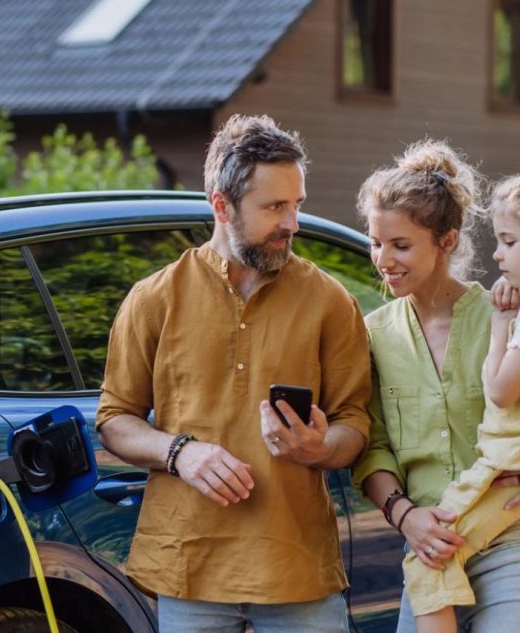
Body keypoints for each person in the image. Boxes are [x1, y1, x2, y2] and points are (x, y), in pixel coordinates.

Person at [97, 114, 371, 633]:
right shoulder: (154, 298)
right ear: (221, 206)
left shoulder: (331, 302)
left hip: (297, 571)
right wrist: (181, 453)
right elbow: (115, 419)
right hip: (188, 569)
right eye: (274, 207)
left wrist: (320, 447)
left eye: (296, 205)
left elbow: (355, 423)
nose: (291, 223)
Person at [352, 139, 520, 633]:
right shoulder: (373, 335)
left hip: (518, 538)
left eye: (401, 245)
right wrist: (405, 515)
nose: (382, 259)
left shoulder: (519, 311)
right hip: (434, 551)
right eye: (375, 242)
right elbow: (373, 447)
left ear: (448, 241)